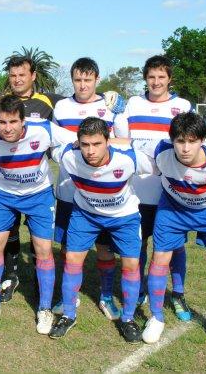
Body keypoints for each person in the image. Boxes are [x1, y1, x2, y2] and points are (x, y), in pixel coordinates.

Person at [138, 112, 206, 352]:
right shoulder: (161, 149)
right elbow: (128, 143)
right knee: (159, 258)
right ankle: (156, 317)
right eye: (180, 141)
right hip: (172, 210)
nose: (185, 148)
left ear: (202, 140)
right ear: (172, 140)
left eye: (192, 141)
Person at [0, 94, 76, 334]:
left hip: (39, 195)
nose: (8, 128)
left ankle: (44, 308)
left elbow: (80, 138)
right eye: (2, 122)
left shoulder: (44, 129)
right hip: (3, 195)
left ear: (23, 121)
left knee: (43, 250)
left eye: (13, 122)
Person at [49, 117, 152, 342]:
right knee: (72, 260)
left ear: (108, 141)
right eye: (85, 144)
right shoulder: (68, 156)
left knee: (131, 264)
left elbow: (161, 160)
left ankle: (128, 318)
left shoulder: (129, 159)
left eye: (97, 144)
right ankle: (68, 314)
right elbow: (49, 142)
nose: (90, 151)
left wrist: (130, 141)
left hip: (124, 217)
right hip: (85, 215)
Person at [114, 55, 193, 320]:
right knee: (138, 243)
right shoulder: (134, 104)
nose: (156, 82)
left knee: (175, 246)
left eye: (161, 77)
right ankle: (139, 291)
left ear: (170, 79)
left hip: (171, 193)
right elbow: (123, 140)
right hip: (137, 191)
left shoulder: (183, 106)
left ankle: (178, 295)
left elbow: (191, 145)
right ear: (145, 78)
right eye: (151, 77)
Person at [51, 57, 122, 321]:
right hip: (68, 190)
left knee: (104, 248)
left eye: (88, 80)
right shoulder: (61, 107)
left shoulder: (110, 106)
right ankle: (68, 295)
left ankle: (106, 295)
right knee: (67, 247)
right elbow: (52, 145)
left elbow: (122, 141)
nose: (82, 85)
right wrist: (68, 151)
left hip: (102, 192)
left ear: (97, 80)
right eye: (78, 80)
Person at [0, 55, 64, 303]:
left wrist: (110, 101)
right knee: (8, 231)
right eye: (12, 75)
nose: (17, 79)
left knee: (38, 237)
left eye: (22, 74)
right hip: (6, 185)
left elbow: (80, 103)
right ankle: (10, 276)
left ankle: (39, 280)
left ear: (33, 75)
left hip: (37, 186)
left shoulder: (50, 101)